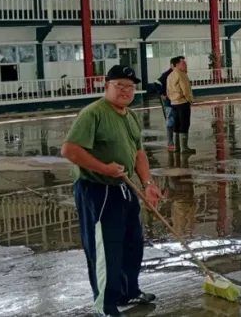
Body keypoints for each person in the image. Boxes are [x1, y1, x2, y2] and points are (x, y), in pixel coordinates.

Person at [61, 65, 160, 317]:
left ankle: (128, 291)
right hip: (97, 190)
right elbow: (70, 150)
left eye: (130, 86)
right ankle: (104, 305)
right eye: (120, 85)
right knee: (106, 250)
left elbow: (138, 153)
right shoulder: (93, 113)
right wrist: (104, 168)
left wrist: (148, 185)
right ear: (107, 86)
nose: (126, 91)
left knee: (131, 244)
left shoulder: (130, 115)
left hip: (124, 188)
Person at [167, 56, 195, 154]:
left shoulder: (170, 76)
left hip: (173, 103)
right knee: (184, 124)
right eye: (183, 63)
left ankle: (177, 147)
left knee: (176, 125)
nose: (186, 64)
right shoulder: (181, 75)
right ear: (177, 65)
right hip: (182, 103)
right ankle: (184, 148)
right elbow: (186, 90)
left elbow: (168, 91)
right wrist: (190, 100)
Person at [153, 57, 182, 151]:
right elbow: (156, 83)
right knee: (170, 121)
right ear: (173, 65)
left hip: (179, 102)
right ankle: (170, 142)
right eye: (179, 64)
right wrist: (162, 93)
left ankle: (178, 143)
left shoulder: (180, 74)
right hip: (169, 102)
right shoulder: (167, 74)